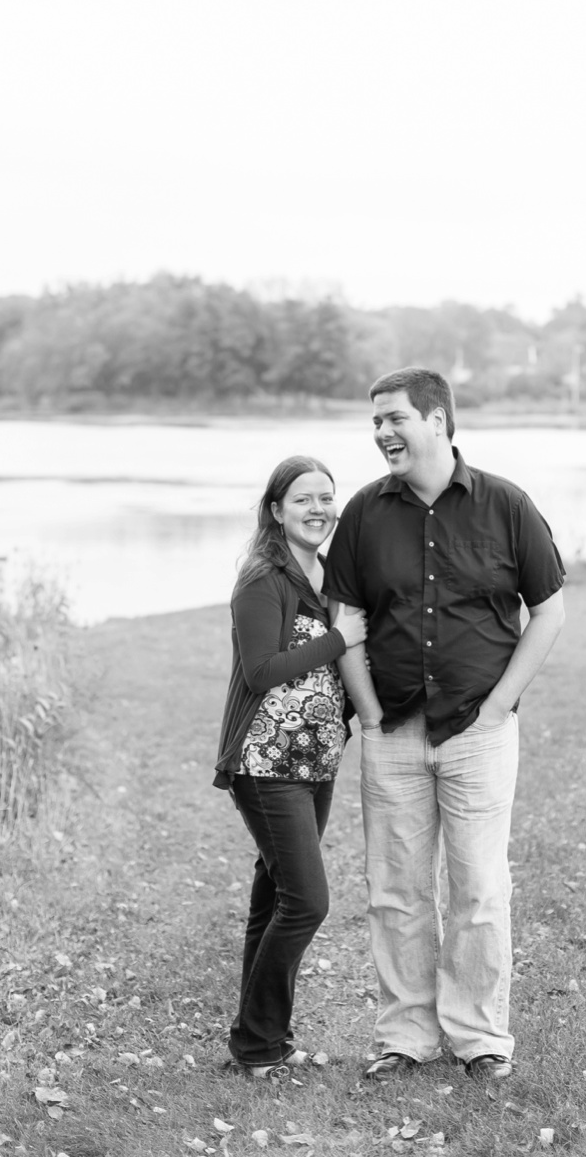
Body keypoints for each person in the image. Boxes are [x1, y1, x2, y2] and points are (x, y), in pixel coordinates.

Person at [324, 368, 568, 1085]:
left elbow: (549, 610)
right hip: (392, 730)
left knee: (479, 887)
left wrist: (498, 707)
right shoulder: (365, 513)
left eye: (394, 418)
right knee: (395, 889)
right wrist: (368, 714)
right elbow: (348, 620)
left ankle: (479, 1036)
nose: (382, 433)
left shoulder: (506, 505)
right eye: (375, 422)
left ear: (437, 419)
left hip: (479, 733)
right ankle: (406, 1035)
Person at [212, 455, 382, 1077]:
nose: (318, 509)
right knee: (307, 902)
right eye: (304, 499)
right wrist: (341, 638)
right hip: (266, 763)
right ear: (276, 510)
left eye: (326, 498)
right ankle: (258, 1041)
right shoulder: (264, 578)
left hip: (315, 763)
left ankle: (260, 1045)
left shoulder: (327, 574)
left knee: (275, 900)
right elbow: (261, 670)